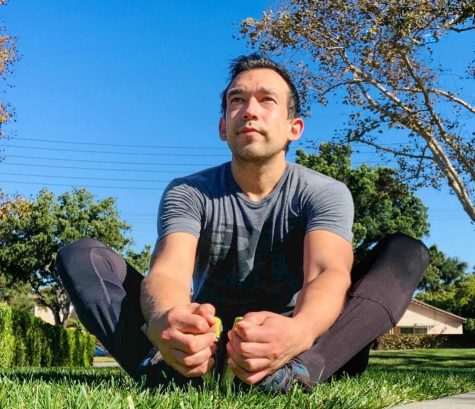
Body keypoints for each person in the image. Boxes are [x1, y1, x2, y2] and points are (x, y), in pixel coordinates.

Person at [57, 54, 429, 393]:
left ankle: (299, 372)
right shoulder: (189, 191)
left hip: (303, 340)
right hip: (208, 346)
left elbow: (327, 273)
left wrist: (298, 334)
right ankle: (166, 369)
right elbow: (169, 271)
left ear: (293, 127)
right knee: (80, 256)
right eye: (237, 100)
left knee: (406, 252)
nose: (249, 110)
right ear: (223, 126)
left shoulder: (324, 192)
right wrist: (164, 321)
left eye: (267, 100)